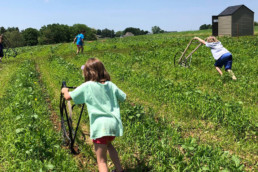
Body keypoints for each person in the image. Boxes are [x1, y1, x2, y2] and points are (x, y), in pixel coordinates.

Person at [62, 58, 126, 172]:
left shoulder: (87, 86)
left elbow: (68, 97)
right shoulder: (110, 85)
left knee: (101, 161)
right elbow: (123, 97)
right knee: (109, 145)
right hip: (113, 124)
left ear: (87, 72)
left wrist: (64, 90)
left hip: (100, 126)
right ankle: (119, 170)